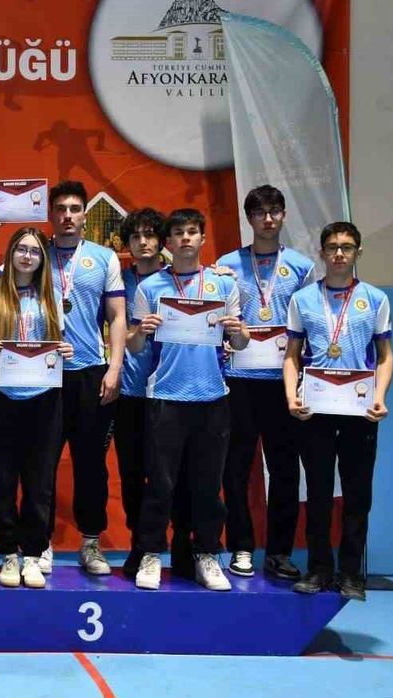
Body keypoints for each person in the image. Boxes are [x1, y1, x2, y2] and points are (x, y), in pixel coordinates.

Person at [128, 209, 249, 592]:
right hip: (165, 396)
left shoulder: (223, 285)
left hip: (213, 397)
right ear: (168, 242)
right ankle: (150, 554)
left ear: (202, 238)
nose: (185, 238)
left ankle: (207, 555)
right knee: (159, 485)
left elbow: (240, 342)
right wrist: (141, 331)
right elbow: (134, 346)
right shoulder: (150, 288)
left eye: (192, 232)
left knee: (208, 486)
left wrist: (239, 330)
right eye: (178, 232)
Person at [284, 221, 393, 602]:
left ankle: (350, 574)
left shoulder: (375, 299)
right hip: (315, 409)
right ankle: (318, 569)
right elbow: (291, 356)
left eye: (346, 247)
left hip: (360, 410)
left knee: (357, 493)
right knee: (317, 491)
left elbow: (385, 355)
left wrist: (380, 396)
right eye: (331, 247)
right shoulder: (302, 299)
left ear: (358, 252)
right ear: (322, 253)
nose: (339, 254)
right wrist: (291, 397)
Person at [215, 185, 314, 580]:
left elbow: (310, 323)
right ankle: (241, 547)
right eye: (260, 213)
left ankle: (278, 553)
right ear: (249, 219)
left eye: (274, 211)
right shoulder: (227, 264)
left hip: (282, 381)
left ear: (283, 215)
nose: (268, 219)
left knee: (285, 469)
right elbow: (217, 319)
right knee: (235, 469)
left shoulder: (302, 267)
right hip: (237, 380)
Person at [0, 229, 72, 589]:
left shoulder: (52, 296)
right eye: (21, 249)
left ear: (42, 259)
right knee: (2, 480)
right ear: (11, 253)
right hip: (2, 397)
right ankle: (8, 554)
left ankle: (33, 553)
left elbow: (58, 343)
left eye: (34, 251)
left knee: (39, 481)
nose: (27, 256)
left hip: (44, 398)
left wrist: (65, 351)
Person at [36, 181, 125, 576]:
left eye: (74, 208)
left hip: (90, 373)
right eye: (61, 209)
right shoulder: (34, 253)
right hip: (43, 373)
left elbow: (117, 316)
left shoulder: (104, 258)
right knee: (41, 463)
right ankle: (39, 543)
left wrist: (114, 367)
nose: (67, 215)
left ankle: (90, 543)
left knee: (91, 464)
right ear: (51, 214)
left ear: (85, 215)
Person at [112, 208, 167, 578]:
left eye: (149, 235)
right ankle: (140, 544)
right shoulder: (118, 282)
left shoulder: (179, 280)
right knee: (132, 475)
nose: (143, 242)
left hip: (170, 393)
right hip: (129, 392)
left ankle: (171, 546)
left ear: (161, 240)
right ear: (127, 243)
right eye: (136, 237)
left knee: (167, 476)